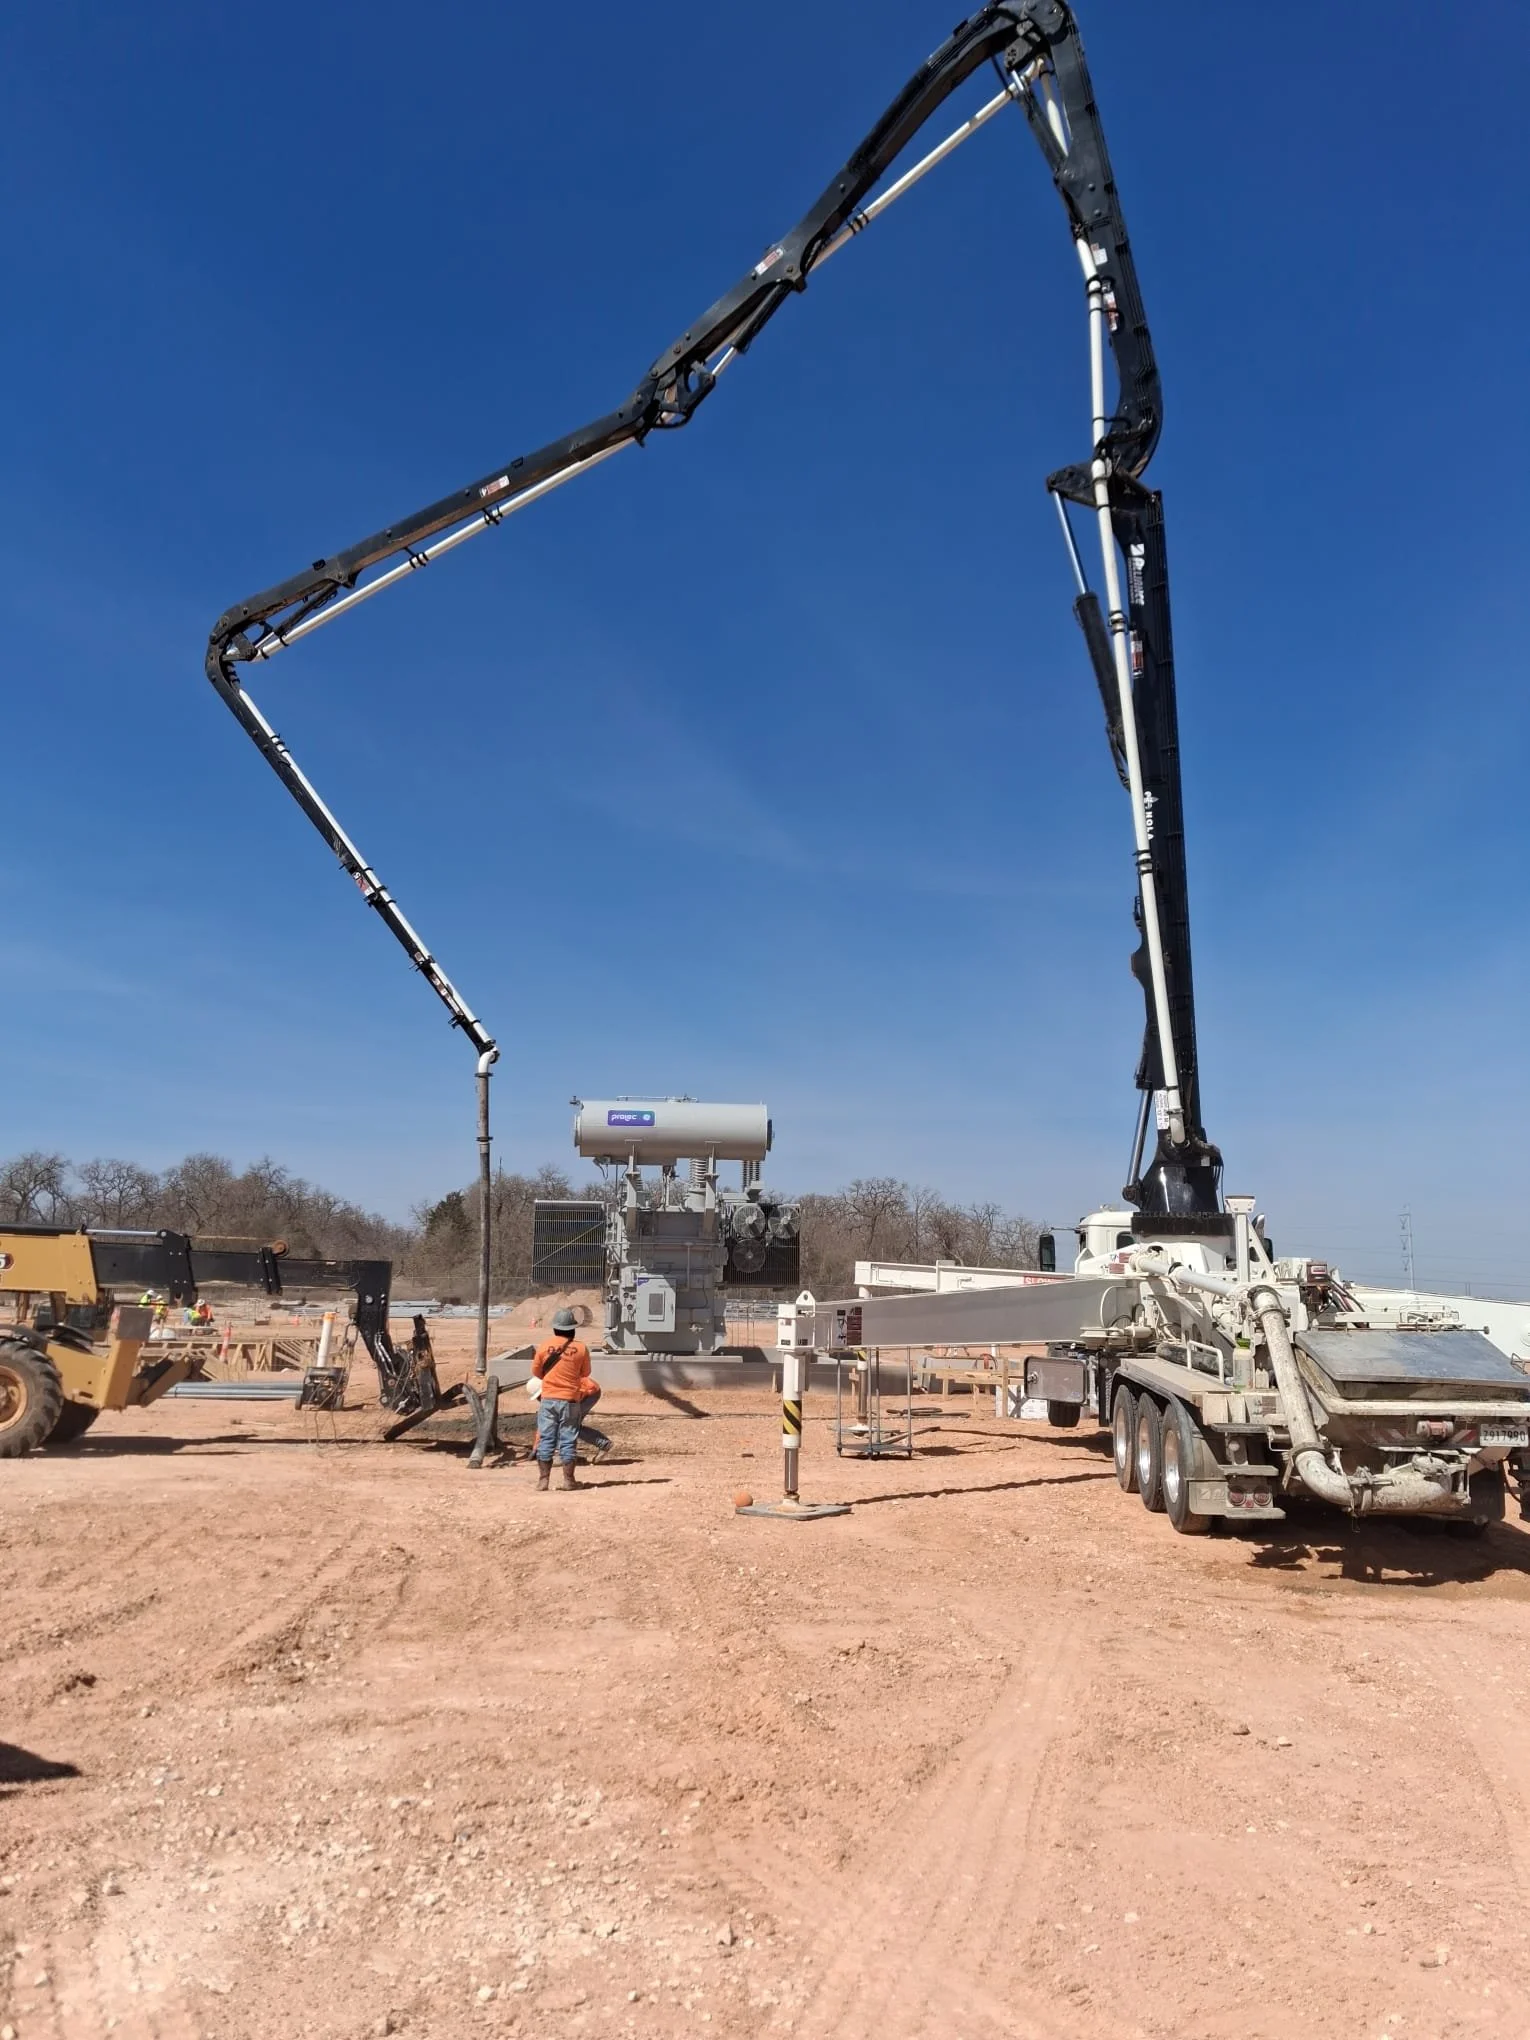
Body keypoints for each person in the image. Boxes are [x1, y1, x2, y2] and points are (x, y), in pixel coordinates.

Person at [530, 1308, 612, 1489]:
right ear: (573, 1329)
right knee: (568, 1438)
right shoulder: (581, 1348)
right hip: (570, 1401)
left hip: (549, 1399)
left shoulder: (544, 1346)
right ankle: (569, 1481)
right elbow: (585, 1373)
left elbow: (536, 1372)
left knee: (547, 1439)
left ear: (554, 1329)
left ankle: (543, 1480)